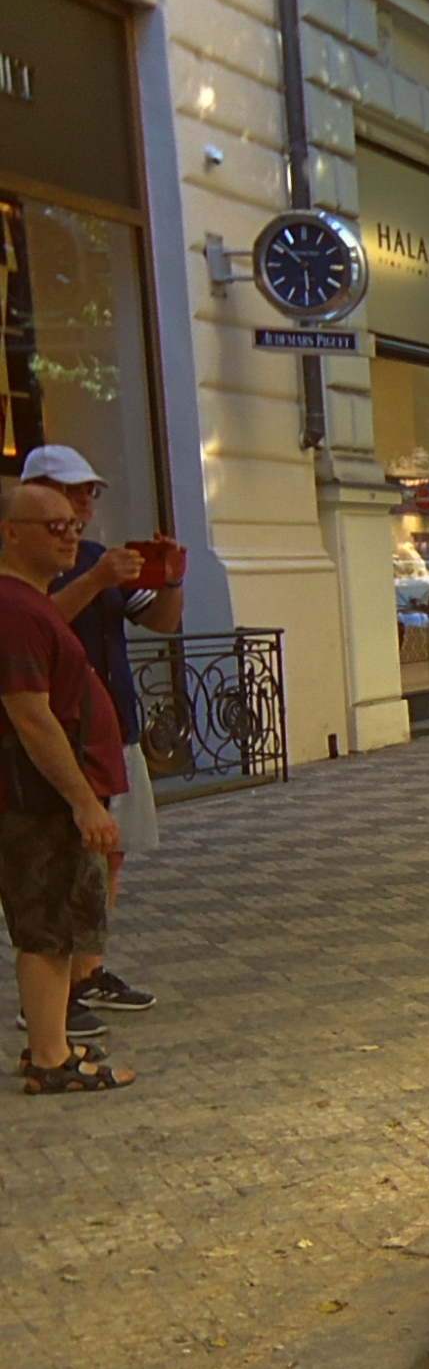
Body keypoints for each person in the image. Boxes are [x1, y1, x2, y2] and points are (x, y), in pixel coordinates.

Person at [26, 444, 180, 1018]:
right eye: (72, 491)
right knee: (64, 860)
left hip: (114, 726)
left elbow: (162, 621)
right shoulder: (26, 568)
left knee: (108, 855)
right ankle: (51, 997)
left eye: (89, 492)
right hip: (63, 733)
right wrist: (94, 579)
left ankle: (87, 973)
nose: (83, 503)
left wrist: (171, 577)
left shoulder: (96, 557)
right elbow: (33, 625)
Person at [0, 481, 135, 1091]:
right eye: (52, 525)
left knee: (55, 926)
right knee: (50, 925)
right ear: (11, 533)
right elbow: (31, 715)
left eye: (72, 523)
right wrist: (82, 801)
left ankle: (49, 1051)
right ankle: (50, 1058)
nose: (70, 533)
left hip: (46, 798)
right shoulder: (16, 609)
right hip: (40, 801)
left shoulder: (30, 605)